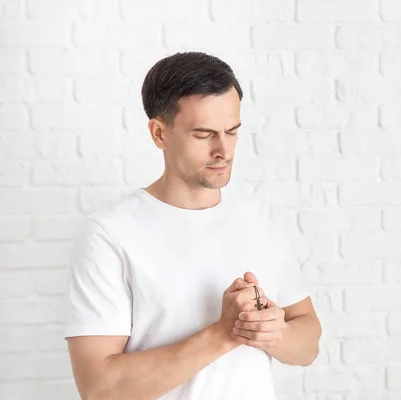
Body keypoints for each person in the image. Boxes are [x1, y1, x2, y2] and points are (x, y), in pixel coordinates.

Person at [64, 51, 322, 400]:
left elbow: (308, 346)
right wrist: (224, 333)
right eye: (204, 135)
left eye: (232, 132)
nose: (224, 150)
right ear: (159, 133)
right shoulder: (109, 235)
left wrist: (271, 331)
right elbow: (99, 389)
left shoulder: (259, 218)